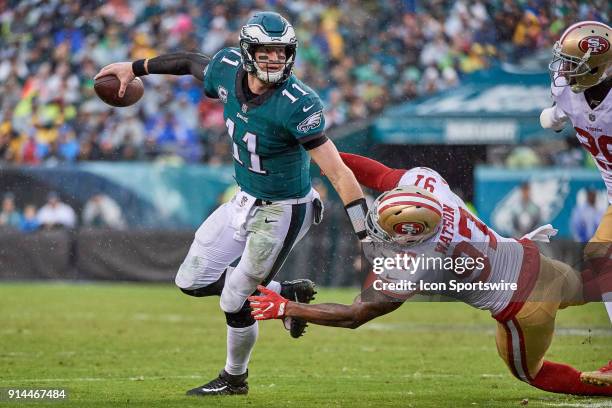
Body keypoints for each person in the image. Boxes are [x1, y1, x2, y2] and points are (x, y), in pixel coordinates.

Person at [95, 12, 368, 397]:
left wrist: (365, 233)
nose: (275, 59)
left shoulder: (298, 103)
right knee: (191, 281)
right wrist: (134, 67)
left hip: (284, 208)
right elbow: (189, 61)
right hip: (244, 198)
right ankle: (283, 291)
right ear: (246, 52)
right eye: (266, 51)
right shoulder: (225, 68)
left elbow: (338, 174)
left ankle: (234, 379)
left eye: (281, 52)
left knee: (233, 296)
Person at [250, 153, 612, 394]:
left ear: (409, 233)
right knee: (589, 286)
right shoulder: (433, 188)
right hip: (538, 262)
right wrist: (322, 154)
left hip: (521, 308)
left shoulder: (417, 261)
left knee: (530, 373)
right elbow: (380, 175)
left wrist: (288, 308)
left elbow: (356, 314)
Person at [539, 21, 612, 339]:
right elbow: (559, 113)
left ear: (594, 67)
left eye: (572, 63)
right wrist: (553, 117)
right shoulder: (566, 91)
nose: (564, 69)